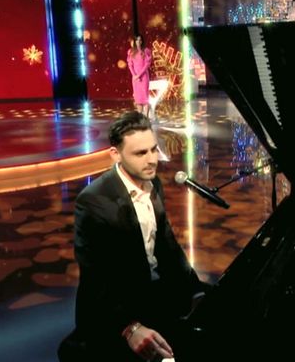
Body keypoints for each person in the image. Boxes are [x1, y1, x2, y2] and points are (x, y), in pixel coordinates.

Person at [59, 111, 204, 361]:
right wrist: (130, 328)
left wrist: (197, 291)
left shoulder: (153, 183)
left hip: (151, 291)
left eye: (154, 150)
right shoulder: (94, 201)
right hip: (114, 308)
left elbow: (168, 246)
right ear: (115, 154)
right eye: (140, 153)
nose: (152, 160)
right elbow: (96, 277)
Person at [126, 34, 152, 118]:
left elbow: (146, 65)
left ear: (142, 41)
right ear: (134, 41)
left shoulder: (146, 51)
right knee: (138, 99)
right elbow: (130, 65)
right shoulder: (131, 52)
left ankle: (146, 118)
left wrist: (139, 75)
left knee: (145, 98)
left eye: (140, 40)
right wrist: (134, 75)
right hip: (135, 78)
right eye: (137, 40)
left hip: (144, 77)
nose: (138, 41)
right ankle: (140, 118)